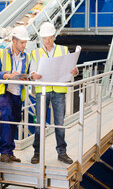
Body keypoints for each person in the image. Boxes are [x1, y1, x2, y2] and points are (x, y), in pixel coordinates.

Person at [30, 22, 78, 165]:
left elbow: (72, 68)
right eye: (45, 38)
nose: (47, 41)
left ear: (54, 36)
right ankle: (37, 153)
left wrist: (75, 71)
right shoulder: (36, 52)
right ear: (41, 38)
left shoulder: (63, 50)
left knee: (60, 124)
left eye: (50, 38)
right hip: (42, 91)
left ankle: (62, 153)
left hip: (58, 92)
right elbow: (32, 71)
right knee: (39, 124)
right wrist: (34, 75)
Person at [0, 25, 31, 163]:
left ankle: (10, 152)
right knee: (6, 116)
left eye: (25, 42)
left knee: (14, 121)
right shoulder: (1, 54)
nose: (24, 45)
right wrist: (8, 75)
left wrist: (26, 78)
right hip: (6, 92)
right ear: (14, 41)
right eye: (22, 42)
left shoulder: (27, 56)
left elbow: (29, 72)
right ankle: (4, 152)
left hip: (18, 93)